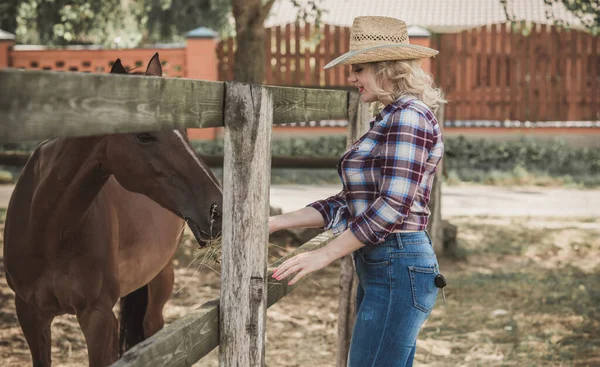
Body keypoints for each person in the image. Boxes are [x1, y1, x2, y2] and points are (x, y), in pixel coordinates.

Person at [270, 16, 446, 366]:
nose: (350, 78)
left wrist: (324, 254)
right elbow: (349, 203)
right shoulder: (387, 117)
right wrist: (274, 223)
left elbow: (392, 207)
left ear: (387, 69)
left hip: (398, 262)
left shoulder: (408, 117)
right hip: (385, 264)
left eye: (359, 69)